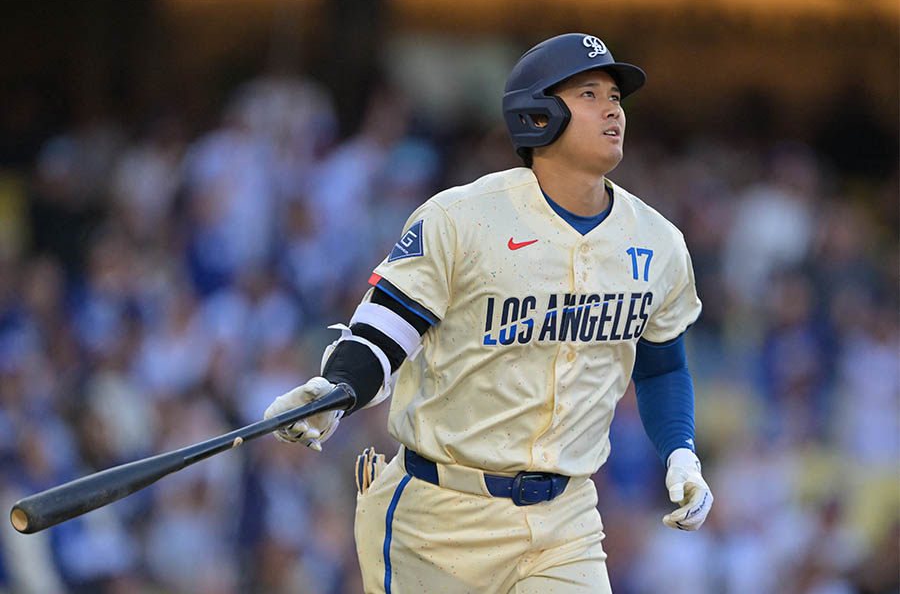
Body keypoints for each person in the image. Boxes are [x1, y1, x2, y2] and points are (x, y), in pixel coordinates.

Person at [264, 33, 713, 594]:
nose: (613, 108)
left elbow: (662, 366)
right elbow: (386, 329)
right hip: (439, 517)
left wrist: (681, 452)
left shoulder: (659, 242)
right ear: (537, 114)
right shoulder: (461, 217)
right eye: (590, 93)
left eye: (616, 97)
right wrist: (337, 389)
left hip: (565, 520)